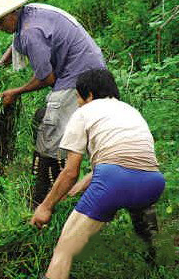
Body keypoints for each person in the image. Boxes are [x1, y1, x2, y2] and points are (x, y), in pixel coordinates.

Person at [0, 0, 107, 208]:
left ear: (11, 14)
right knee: (45, 119)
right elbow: (16, 43)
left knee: (49, 137)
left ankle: (43, 201)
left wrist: (14, 93)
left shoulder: (29, 32)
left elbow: (47, 78)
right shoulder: (32, 14)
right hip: (93, 68)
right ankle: (53, 193)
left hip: (78, 76)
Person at [30, 69, 165, 279]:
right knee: (144, 229)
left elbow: (70, 171)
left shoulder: (84, 113)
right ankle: (156, 266)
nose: (77, 102)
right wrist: (79, 188)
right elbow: (124, 159)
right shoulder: (130, 111)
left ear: (89, 95)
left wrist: (45, 207)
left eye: (77, 96)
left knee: (64, 250)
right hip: (153, 182)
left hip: (114, 182)